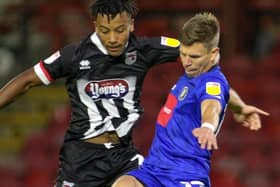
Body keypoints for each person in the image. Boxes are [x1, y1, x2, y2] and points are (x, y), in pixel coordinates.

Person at [0, 1, 268, 187]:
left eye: (120, 29)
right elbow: (26, 81)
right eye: (105, 31)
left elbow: (206, 73)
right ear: (95, 25)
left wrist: (236, 106)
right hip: (80, 159)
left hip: (123, 157)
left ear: (131, 24)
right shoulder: (74, 55)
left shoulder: (146, 49)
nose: (113, 38)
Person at [111, 12, 230, 187]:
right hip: (154, 169)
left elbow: (212, 104)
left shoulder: (211, 82)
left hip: (186, 174)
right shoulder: (193, 74)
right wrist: (240, 107)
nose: (186, 62)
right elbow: (226, 94)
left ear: (213, 54)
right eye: (183, 54)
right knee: (124, 183)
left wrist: (208, 126)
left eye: (194, 57)